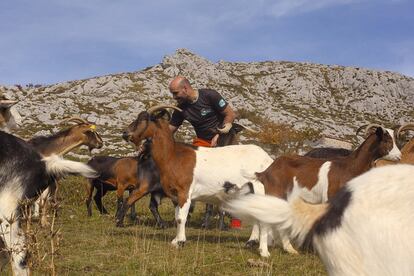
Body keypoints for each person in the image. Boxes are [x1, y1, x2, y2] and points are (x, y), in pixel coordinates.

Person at [168, 76, 241, 229]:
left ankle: (236, 220)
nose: (174, 97)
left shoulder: (209, 95)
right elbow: (170, 130)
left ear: (185, 89)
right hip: (203, 143)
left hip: (225, 138)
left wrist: (220, 133)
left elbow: (230, 114)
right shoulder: (180, 108)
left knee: (233, 178)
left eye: (175, 93)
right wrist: (153, 140)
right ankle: (202, 215)